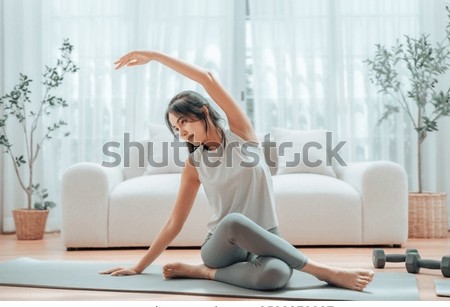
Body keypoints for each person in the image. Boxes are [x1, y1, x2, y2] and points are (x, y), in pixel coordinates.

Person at [100, 50, 374, 291]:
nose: (181, 132)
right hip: (223, 246)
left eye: (184, 121)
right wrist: (138, 266)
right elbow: (175, 223)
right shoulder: (195, 164)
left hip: (266, 235)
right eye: (175, 128)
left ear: (204, 112)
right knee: (233, 221)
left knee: (276, 275)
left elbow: (207, 78)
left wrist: (154, 56)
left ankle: (205, 273)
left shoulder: (242, 135)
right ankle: (327, 272)